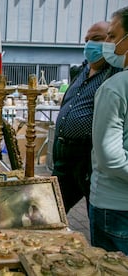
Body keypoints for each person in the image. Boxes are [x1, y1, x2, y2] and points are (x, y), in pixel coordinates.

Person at [51, 21, 121, 213]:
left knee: (96, 211)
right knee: (52, 210)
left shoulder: (115, 74)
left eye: (97, 39)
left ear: (112, 41)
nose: (90, 45)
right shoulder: (81, 70)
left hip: (88, 156)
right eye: (87, 40)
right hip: (64, 155)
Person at [89, 6, 128, 254]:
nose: (108, 44)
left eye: (113, 36)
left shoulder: (115, 87)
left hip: (115, 209)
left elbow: (110, 158)